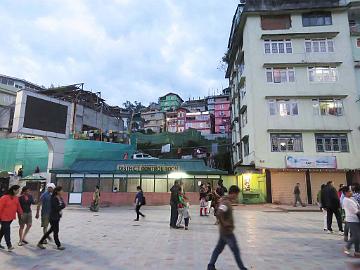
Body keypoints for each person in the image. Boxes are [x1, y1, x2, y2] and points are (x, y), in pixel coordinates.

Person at [207, 185, 248, 270]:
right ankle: (242, 268)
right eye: (236, 195)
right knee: (236, 251)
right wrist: (224, 224)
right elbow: (219, 213)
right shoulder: (226, 203)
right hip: (227, 232)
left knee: (218, 249)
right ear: (233, 193)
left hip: (224, 232)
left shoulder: (226, 201)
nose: (237, 197)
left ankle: (210, 266)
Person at [0, 185, 23, 251]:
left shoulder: (16, 198)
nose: (19, 191)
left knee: (3, 231)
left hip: (10, 218)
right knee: (7, 231)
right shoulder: (4, 198)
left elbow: (18, 206)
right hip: (3, 218)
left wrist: (21, 213)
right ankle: (9, 245)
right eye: (18, 190)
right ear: (14, 190)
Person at [342, 186, 360, 257]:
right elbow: (356, 211)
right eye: (350, 191)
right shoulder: (346, 200)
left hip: (356, 219)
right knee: (356, 235)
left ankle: (357, 251)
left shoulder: (351, 198)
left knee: (358, 236)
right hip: (352, 220)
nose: (351, 192)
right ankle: (347, 246)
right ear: (346, 193)